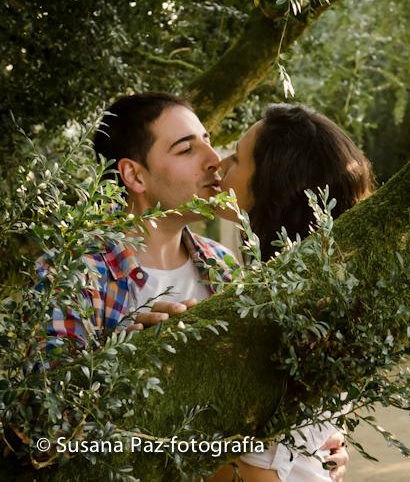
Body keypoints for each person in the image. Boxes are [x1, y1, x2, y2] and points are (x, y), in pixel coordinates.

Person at [39, 93, 348, 480]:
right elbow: (47, 429)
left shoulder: (223, 265)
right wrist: (126, 365)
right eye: (187, 148)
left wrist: (312, 442)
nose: (213, 159)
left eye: (207, 138)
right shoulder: (74, 274)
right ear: (135, 176)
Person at [209, 103, 375, 481]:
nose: (219, 165)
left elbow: (256, 465)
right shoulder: (320, 289)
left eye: (236, 158)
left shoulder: (290, 310)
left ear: (272, 186)